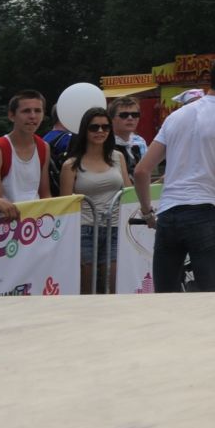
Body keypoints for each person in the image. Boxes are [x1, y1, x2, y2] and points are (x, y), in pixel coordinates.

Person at [132, 54, 215, 292]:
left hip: (169, 215)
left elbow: (141, 170)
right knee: (209, 300)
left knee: (166, 300)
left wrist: (148, 213)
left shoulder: (176, 116)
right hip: (206, 214)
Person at [61, 106, 129, 293]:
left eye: (105, 127)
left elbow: (130, 193)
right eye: (94, 127)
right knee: (87, 287)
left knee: (116, 283)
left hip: (115, 227)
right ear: (85, 130)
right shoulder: (71, 164)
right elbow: (65, 205)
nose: (100, 131)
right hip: (84, 229)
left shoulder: (118, 157)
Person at [0, 88, 51, 203]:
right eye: (26, 111)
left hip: (36, 218)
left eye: (37, 111)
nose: (32, 116)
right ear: (11, 116)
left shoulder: (44, 147)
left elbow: (45, 195)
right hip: (6, 218)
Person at [111, 100, 149, 172]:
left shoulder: (140, 141)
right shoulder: (104, 143)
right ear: (111, 118)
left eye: (135, 115)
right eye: (124, 115)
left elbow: (145, 172)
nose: (130, 118)